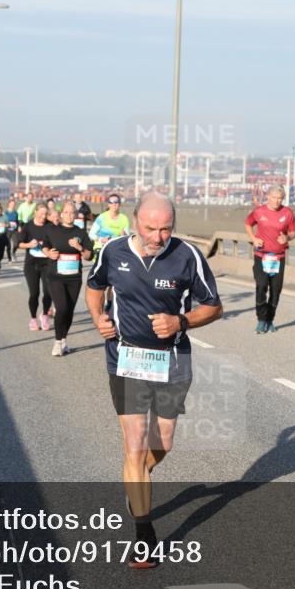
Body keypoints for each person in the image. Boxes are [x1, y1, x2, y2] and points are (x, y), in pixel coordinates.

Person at [85, 192, 222, 568]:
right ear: (135, 222)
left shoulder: (187, 256)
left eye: (165, 229)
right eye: (150, 228)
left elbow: (214, 306)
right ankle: (144, 536)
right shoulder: (112, 251)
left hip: (171, 361)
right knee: (133, 447)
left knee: (162, 443)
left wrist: (181, 321)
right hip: (125, 358)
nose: (158, 236)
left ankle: (137, 480)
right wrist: (98, 318)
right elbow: (95, 286)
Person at [244, 184, 295, 334]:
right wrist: (254, 239)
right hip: (261, 256)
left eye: (279, 198)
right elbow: (248, 224)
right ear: (268, 197)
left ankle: (269, 320)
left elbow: (294, 232)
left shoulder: (288, 213)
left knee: (276, 290)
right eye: (274, 197)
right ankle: (261, 320)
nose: (276, 201)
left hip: (278, 258)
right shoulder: (259, 212)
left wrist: (287, 237)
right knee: (261, 286)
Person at [43, 201, 93, 356]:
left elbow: (89, 256)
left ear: (76, 215)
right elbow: (44, 245)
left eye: (72, 213)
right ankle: (57, 342)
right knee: (62, 308)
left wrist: (79, 248)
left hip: (74, 278)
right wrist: (48, 253)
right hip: (56, 276)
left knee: (69, 310)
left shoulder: (81, 232)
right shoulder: (52, 229)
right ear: (61, 214)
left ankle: (64, 340)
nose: (69, 215)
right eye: (66, 212)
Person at [19, 204, 53, 331]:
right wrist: (29, 244)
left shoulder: (50, 226)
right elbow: (19, 244)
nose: (43, 217)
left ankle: (45, 315)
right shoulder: (28, 226)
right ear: (35, 212)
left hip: (47, 263)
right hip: (31, 264)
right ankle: (33, 319)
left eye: (46, 214)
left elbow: (57, 241)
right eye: (41, 214)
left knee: (48, 292)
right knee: (34, 293)